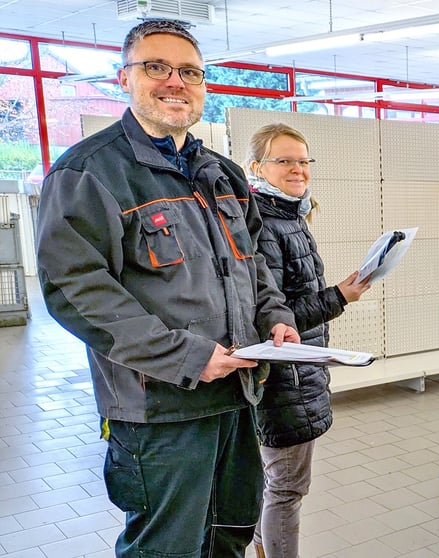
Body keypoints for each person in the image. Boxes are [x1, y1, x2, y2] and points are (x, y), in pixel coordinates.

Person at [35, 20, 300, 558]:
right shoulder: (89, 172)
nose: (174, 82)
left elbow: (255, 268)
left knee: (232, 534)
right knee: (166, 548)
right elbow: (76, 290)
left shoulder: (222, 174)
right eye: (155, 67)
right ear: (124, 78)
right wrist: (185, 355)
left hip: (237, 396)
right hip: (159, 408)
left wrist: (275, 315)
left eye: (189, 72)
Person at [246, 123, 371, 558]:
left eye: (303, 161)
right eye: (284, 160)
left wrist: (340, 293)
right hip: (285, 379)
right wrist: (339, 296)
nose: (298, 169)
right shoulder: (265, 225)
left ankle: (261, 550)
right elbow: (273, 322)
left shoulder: (289, 216)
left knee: (279, 483)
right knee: (286, 488)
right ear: (257, 166)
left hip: (301, 373)